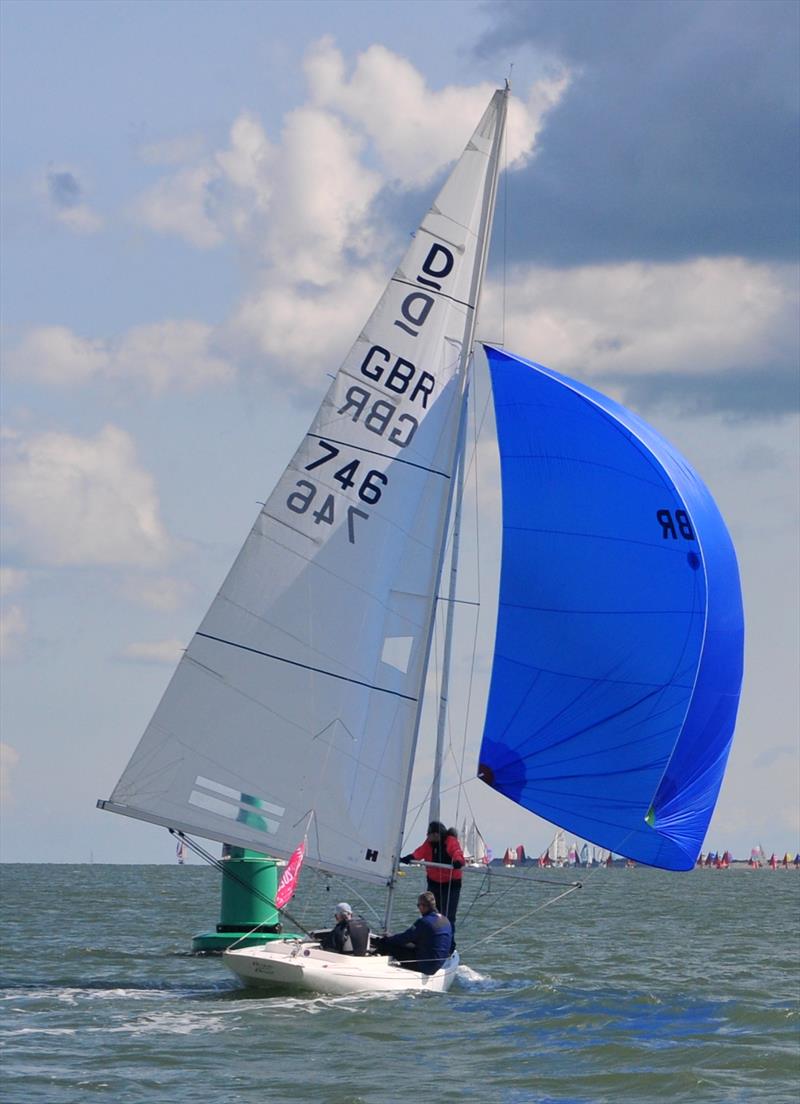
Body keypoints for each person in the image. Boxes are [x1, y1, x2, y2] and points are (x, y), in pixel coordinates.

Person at [400, 821, 464, 942]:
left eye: (430, 834)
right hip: (434, 882)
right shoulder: (429, 843)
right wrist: (409, 858)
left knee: (448, 916)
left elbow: (456, 852)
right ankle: (429, 939)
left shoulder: (450, 841)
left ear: (436, 834)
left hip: (451, 884)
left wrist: (458, 861)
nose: (427, 837)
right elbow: (420, 852)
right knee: (430, 914)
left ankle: (448, 944)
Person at [376, 891, 453, 975]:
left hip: (425, 967)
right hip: (438, 964)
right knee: (403, 943)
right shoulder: (445, 920)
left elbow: (403, 938)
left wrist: (388, 938)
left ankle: (375, 962)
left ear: (423, 906)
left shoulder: (424, 922)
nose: (418, 908)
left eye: (418, 905)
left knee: (389, 944)